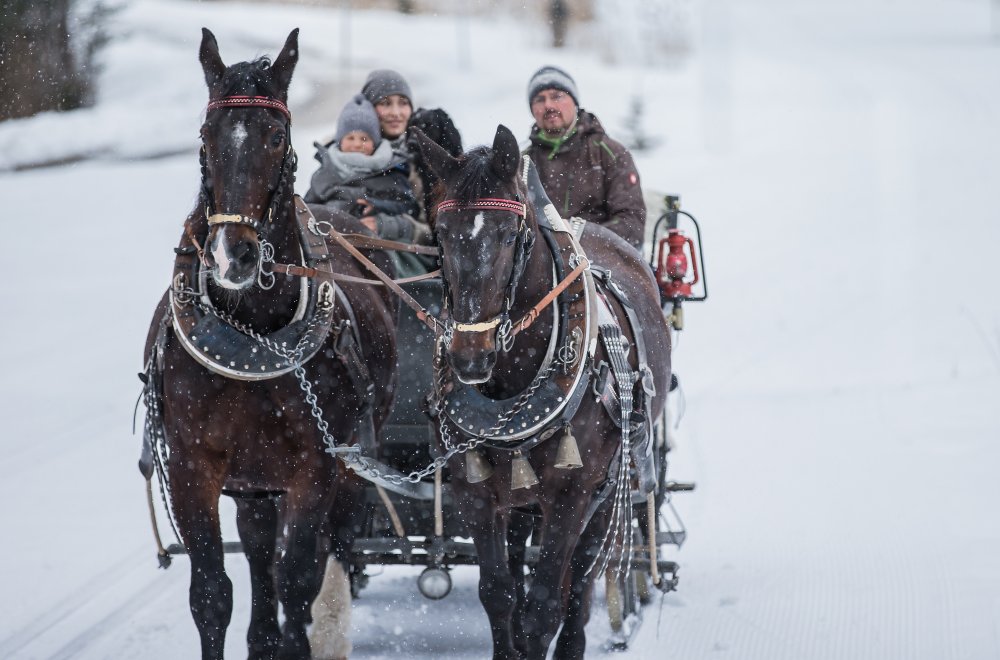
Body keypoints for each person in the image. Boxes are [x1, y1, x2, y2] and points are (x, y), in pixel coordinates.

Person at [523, 65, 646, 249]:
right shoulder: (522, 163)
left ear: (575, 102)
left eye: (557, 96)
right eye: (540, 99)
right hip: (539, 266)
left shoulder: (610, 153)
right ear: (533, 110)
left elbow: (631, 224)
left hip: (601, 264)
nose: (548, 105)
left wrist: (574, 240)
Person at [304, 94, 418, 227]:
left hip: (373, 244)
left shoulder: (391, 172)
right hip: (326, 242)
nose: (357, 144)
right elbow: (305, 210)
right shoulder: (325, 173)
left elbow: (409, 207)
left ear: (374, 143)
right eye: (350, 138)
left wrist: (378, 207)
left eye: (364, 139)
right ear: (340, 142)